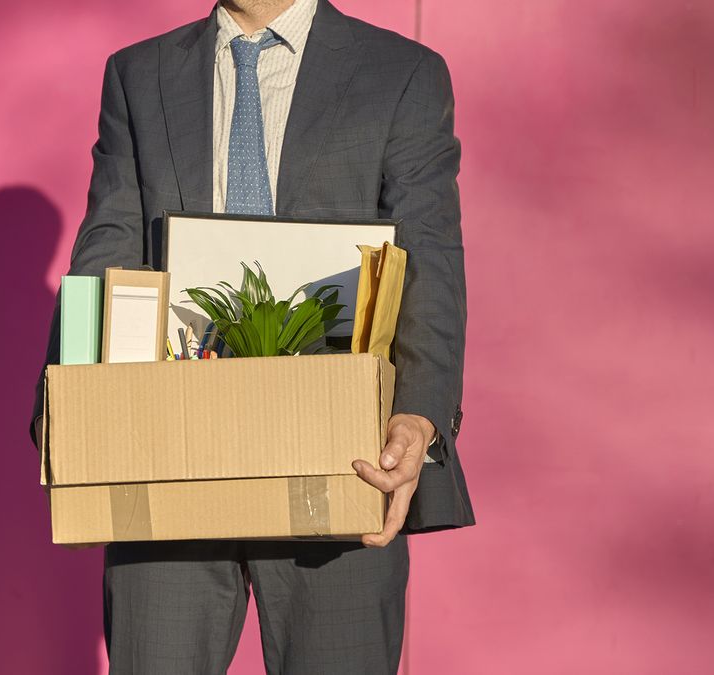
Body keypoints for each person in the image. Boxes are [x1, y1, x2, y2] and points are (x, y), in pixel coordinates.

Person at [30, 1, 474, 672]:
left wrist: (419, 415)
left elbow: (429, 256)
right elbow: (109, 245)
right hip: (168, 446)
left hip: (339, 451)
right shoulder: (138, 74)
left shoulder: (402, 74)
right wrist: (70, 406)